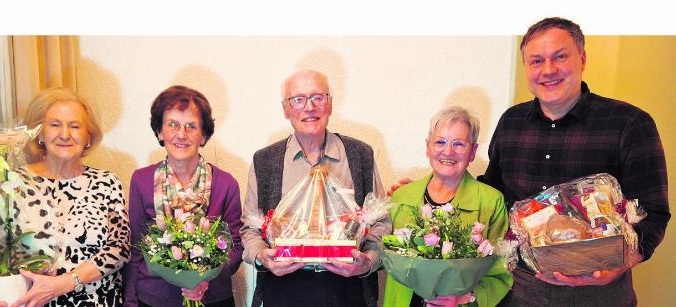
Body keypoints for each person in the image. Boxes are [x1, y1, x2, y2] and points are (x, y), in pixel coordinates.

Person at [480, 17, 670, 306]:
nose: (548, 70)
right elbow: (492, 193)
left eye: (560, 56)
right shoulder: (511, 122)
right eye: (536, 61)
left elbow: (654, 212)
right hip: (517, 290)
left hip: (599, 291)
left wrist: (622, 262)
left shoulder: (631, 123)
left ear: (582, 58)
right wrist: (435, 191)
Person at [239, 70, 390, 307]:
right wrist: (261, 257)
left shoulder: (360, 155)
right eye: (298, 100)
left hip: (348, 292)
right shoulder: (265, 161)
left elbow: (380, 223)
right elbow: (250, 228)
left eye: (317, 98)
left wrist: (368, 261)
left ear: (329, 104)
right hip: (283, 292)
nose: (309, 108)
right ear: (286, 109)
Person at [0, 88, 131, 306]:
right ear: (39, 133)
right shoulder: (11, 185)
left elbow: (119, 248)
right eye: (55, 125)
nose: (65, 134)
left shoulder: (107, 182)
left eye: (75, 126)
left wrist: (65, 283)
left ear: (87, 136)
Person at [124, 85, 243, 307]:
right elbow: (135, 248)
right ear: (160, 132)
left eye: (191, 126)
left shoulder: (226, 184)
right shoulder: (141, 180)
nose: (181, 134)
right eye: (172, 125)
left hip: (213, 299)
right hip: (153, 299)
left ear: (204, 135)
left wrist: (205, 279)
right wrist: (130, 302)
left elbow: (236, 245)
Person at [384, 107, 512, 307]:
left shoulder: (491, 202)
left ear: (473, 152)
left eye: (459, 144)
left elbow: (502, 272)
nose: (448, 151)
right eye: (440, 142)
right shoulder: (401, 197)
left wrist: (468, 297)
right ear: (428, 147)